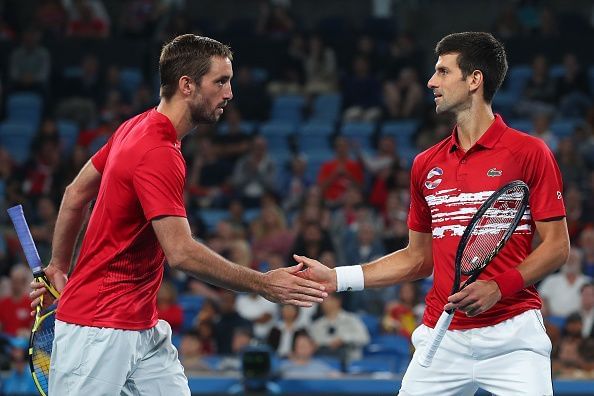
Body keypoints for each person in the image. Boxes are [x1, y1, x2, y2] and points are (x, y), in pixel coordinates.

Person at [29, 34, 327, 396]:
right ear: (187, 85)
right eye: (220, 81)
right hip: (99, 329)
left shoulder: (134, 126)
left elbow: (75, 194)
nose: (230, 93)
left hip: (141, 327)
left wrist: (58, 265)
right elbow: (181, 253)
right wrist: (264, 284)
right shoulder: (157, 151)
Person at [295, 32, 569, 395]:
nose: (431, 81)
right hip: (443, 338)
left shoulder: (529, 152)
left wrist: (498, 287)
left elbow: (557, 247)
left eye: (443, 71)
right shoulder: (426, 164)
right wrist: (336, 277)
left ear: (474, 80)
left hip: (514, 336)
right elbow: (418, 258)